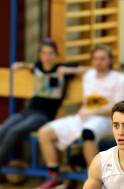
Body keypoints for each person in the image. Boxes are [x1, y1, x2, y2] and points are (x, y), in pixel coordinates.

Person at [37, 44, 124, 189]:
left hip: (107, 120)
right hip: (83, 117)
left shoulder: (120, 79)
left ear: (111, 60)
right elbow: (82, 73)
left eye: (102, 59)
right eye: (95, 59)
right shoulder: (89, 76)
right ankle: (54, 176)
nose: (99, 62)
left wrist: (95, 112)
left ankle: (96, 180)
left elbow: (120, 108)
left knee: (88, 132)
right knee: (44, 132)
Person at [0, 38, 81, 167]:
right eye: (44, 53)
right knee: (3, 129)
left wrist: (70, 71)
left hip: (44, 116)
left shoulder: (62, 69)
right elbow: (31, 66)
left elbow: (88, 69)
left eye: (50, 53)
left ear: (56, 55)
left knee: (14, 131)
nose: (47, 57)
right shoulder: (38, 65)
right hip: (28, 111)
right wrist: (22, 64)